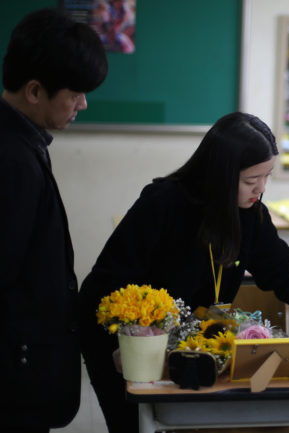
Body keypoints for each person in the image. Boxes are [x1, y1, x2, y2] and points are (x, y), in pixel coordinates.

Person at [79, 112, 289, 433]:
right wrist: (126, 341)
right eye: (250, 180)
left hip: (190, 351)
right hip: (130, 347)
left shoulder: (250, 215)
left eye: (267, 176)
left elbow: (283, 269)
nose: (260, 189)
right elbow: (109, 282)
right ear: (221, 174)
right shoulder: (163, 204)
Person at [0, 8, 108, 433]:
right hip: (15, 377)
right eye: (75, 92)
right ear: (33, 90)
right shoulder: (13, 160)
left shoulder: (24, 143)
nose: (83, 104)